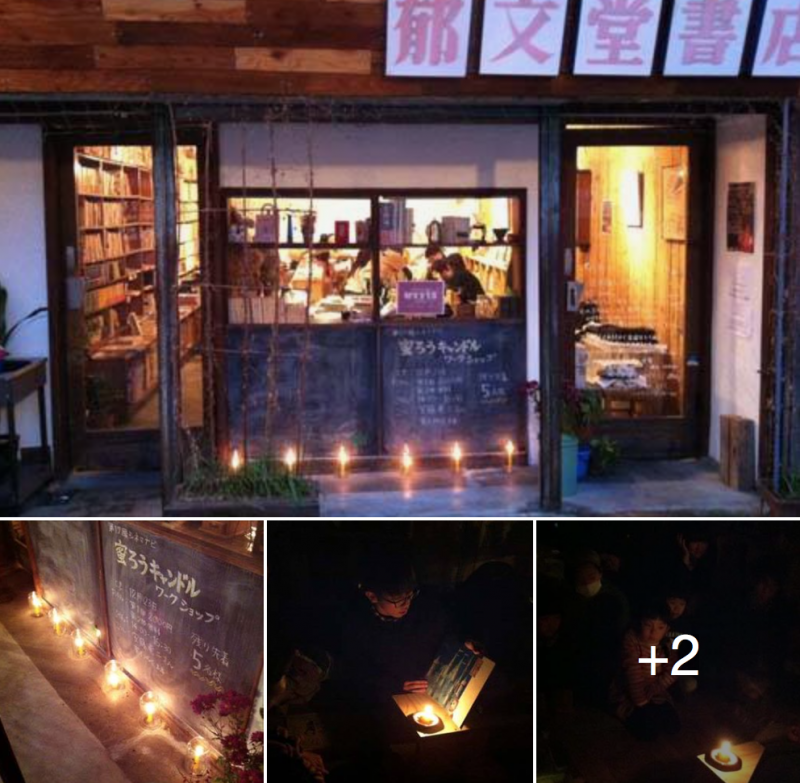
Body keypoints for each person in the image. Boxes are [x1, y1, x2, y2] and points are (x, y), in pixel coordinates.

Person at [332, 546, 452, 705]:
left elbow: (445, 634)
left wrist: (463, 644)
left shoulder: (425, 610)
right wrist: (396, 685)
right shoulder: (357, 626)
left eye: (409, 596)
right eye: (398, 600)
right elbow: (355, 672)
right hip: (386, 700)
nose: (406, 604)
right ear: (372, 596)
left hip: (430, 694)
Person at [563, 549, 630, 708]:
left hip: (606, 654)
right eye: (582, 579)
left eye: (591, 576)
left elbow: (618, 632)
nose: (587, 583)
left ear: (600, 574)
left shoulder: (615, 599)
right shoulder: (569, 599)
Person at [610, 602, 681, 741]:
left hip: (655, 691)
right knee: (648, 732)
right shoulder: (631, 641)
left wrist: (654, 689)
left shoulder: (666, 645)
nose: (654, 632)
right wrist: (641, 702)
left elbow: (673, 671)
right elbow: (632, 674)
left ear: (666, 629)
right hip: (628, 691)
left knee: (673, 726)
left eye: (660, 627)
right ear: (640, 624)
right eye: (648, 625)